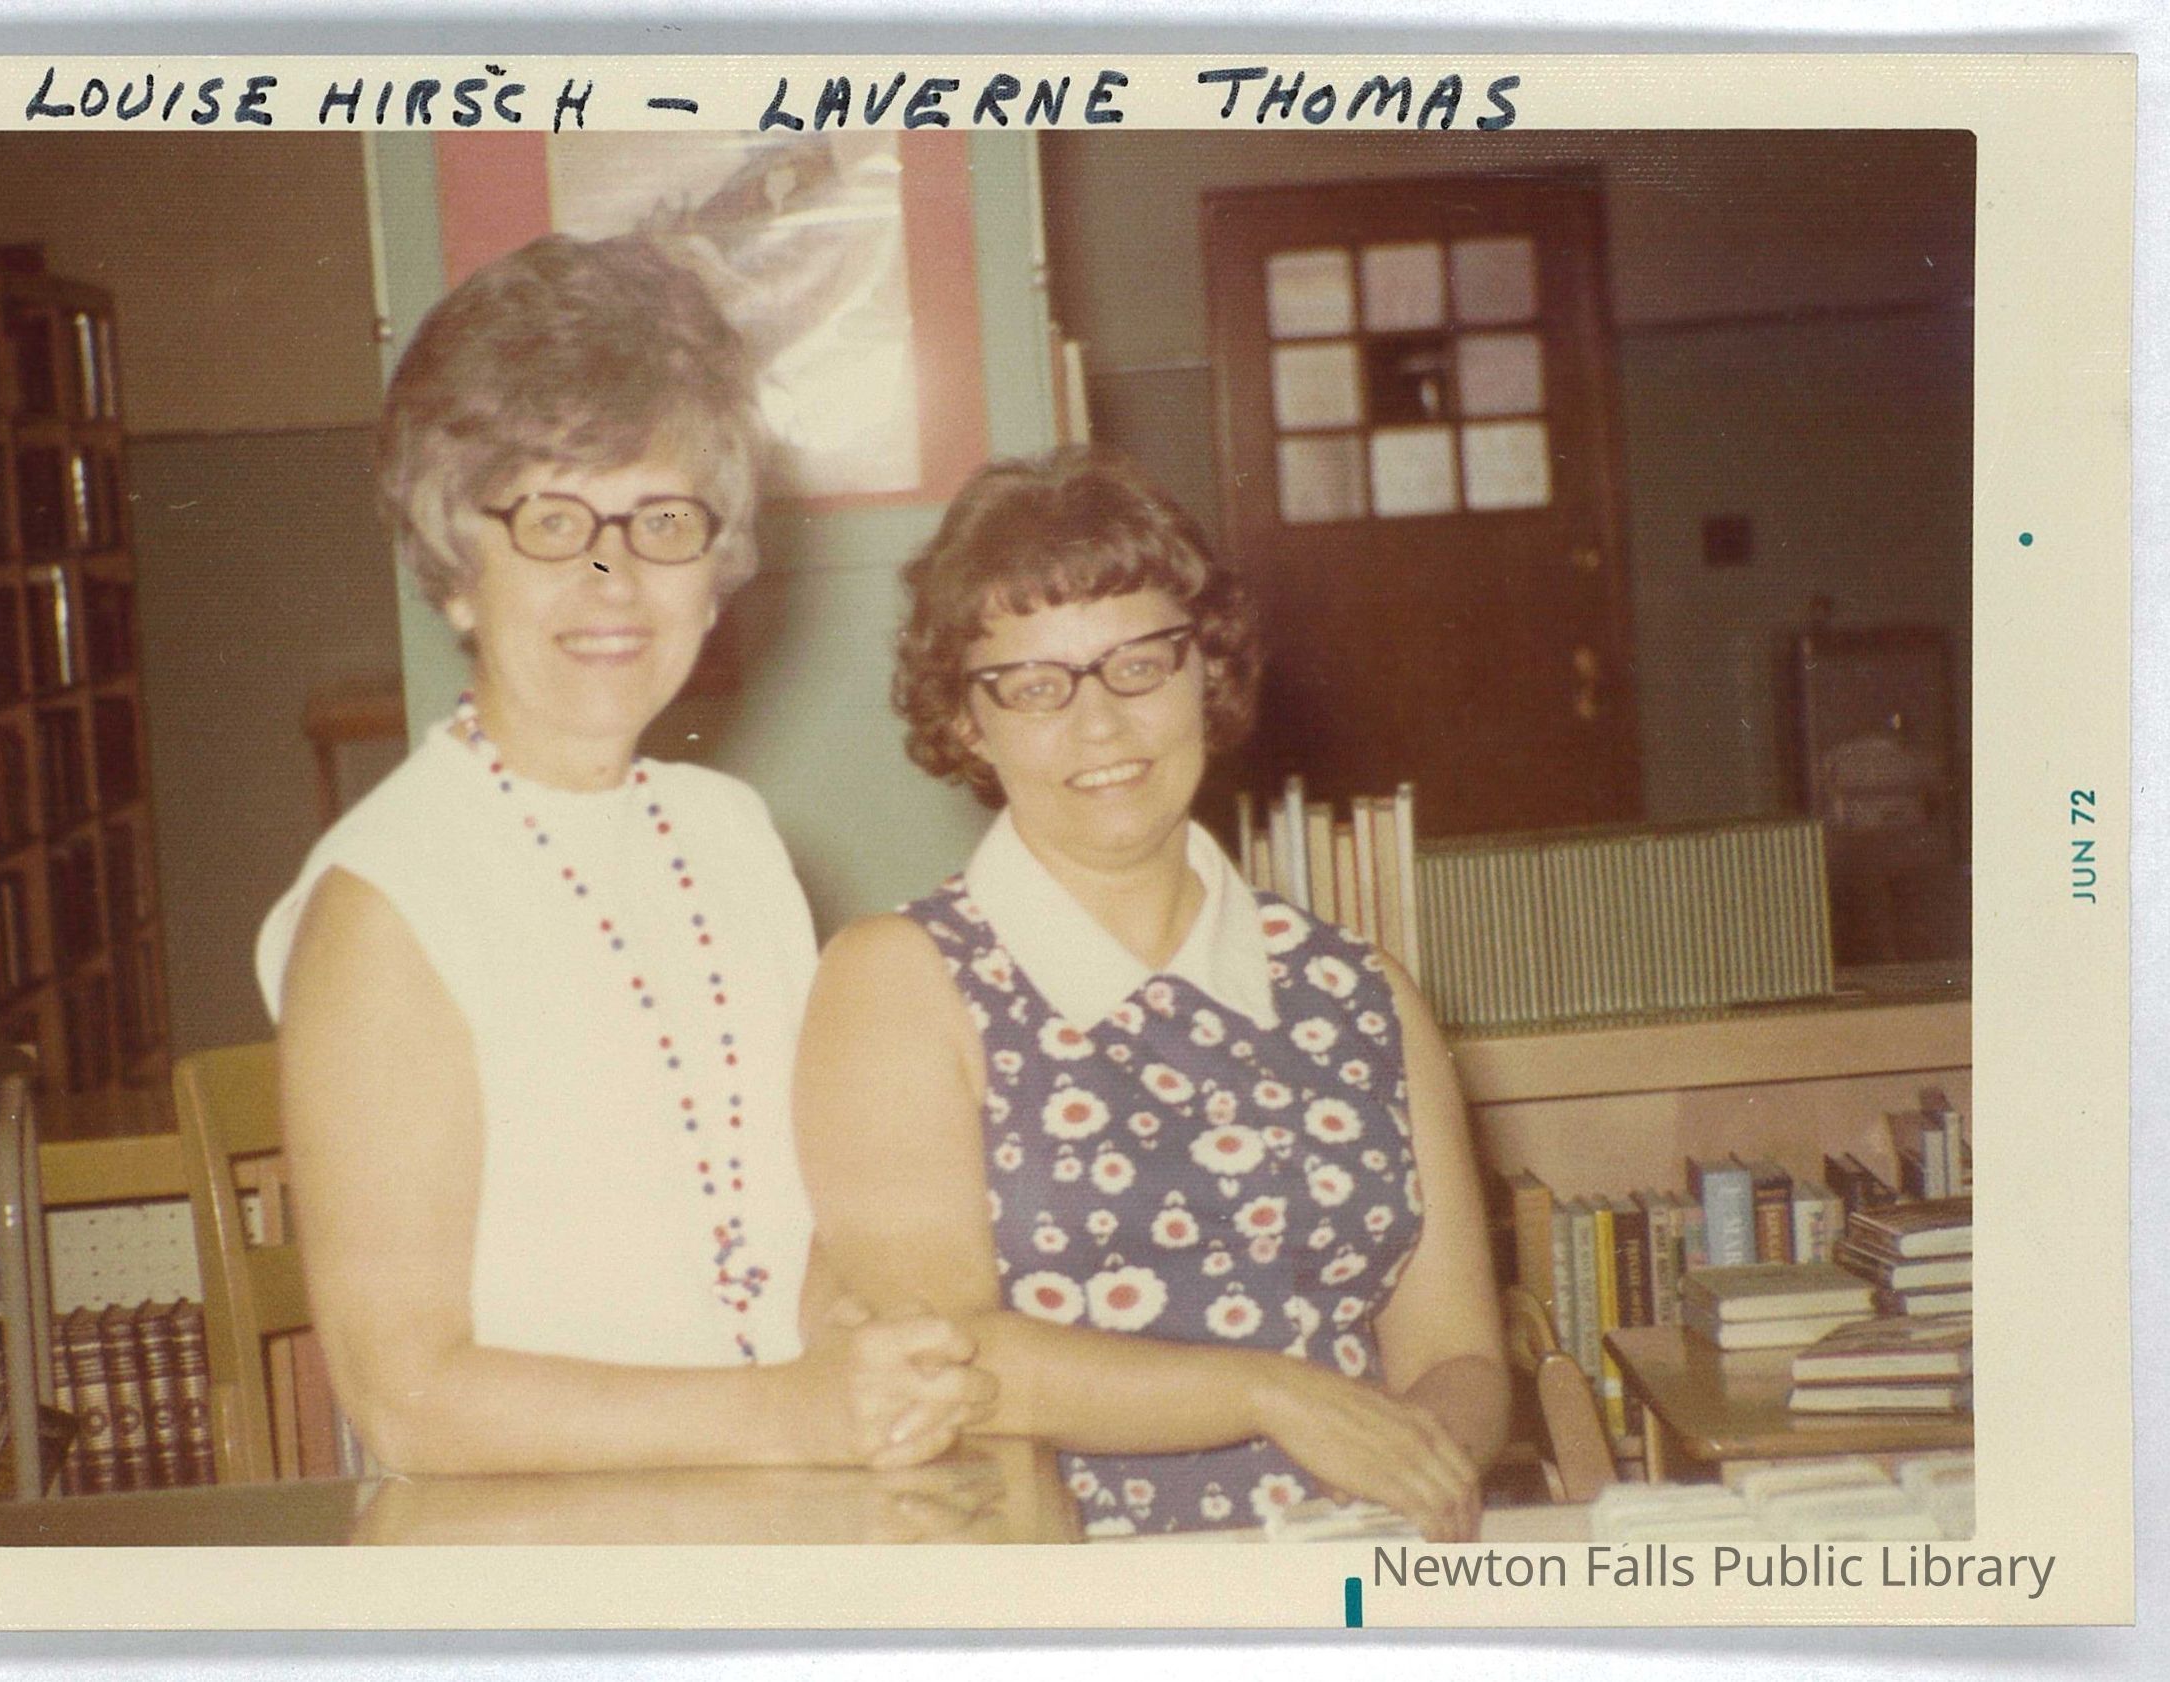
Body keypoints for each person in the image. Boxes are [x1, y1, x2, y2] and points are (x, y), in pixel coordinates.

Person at [256, 235, 992, 1478]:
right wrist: (796, 1414)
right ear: (456, 570)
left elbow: (787, 1231)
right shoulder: (385, 903)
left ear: (714, 572)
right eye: (554, 523)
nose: (614, 580)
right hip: (531, 1548)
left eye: (660, 522)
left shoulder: (730, 834)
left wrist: (860, 1347)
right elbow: (408, 1398)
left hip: (770, 1505)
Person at [794, 447, 1508, 1539]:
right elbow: (939, 1354)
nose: (1100, 725)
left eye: (1138, 666)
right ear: (967, 720)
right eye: (1035, 685)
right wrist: (1267, 1392)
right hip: (1070, 1589)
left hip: (1353, 1576)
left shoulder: (1360, 990)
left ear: (1204, 674)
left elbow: (1458, 1356)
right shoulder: (896, 980)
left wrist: (1413, 1474)